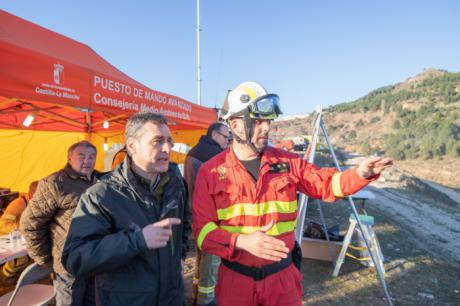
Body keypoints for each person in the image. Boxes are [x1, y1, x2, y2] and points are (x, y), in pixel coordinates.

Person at [192, 81, 393, 306]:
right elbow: (202, 231)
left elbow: (326, 183)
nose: (266, 127)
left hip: (282, 282)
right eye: (258, 121)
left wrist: (360, 175)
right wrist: (241, 242)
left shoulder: (288, 163)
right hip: (235, 283)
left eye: (268, 121)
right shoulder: (209, 172)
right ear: (236, 124)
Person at [62, 112, 189, 306]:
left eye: (169, 141)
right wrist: (137, 240)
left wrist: (179, 257)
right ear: (131, 146)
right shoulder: (101, 195)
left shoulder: (176, 183)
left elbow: (184, 227)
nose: (167, 148)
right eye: (157, 141)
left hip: (172, 297)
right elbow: (75, 258)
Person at [20, 141, 98, 306]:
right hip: (68, 266)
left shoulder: (99, 181)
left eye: (92, 156)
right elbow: (30, 223)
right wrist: (44, 258)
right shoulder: (55, 183)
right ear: (69, 158)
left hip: (95, 261)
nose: (87, 161)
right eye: (81, 156)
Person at [184, 122, 229, 306]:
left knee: (201, 258)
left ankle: (196, 294)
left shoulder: (194, 151)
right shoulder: (213, 155)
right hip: (210, 216)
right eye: (225, 137)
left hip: (195, 214)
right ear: (214, 134)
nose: (227, 141)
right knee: (211, 261)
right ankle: (205, 301)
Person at [0, 181, 38, 280]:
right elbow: (3, 224)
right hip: (8, 239)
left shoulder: (41, 202)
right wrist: (22, 229)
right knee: (23, 256)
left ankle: (18, 273)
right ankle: (4, 276)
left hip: (25, 237)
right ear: (30, 195)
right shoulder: (18, 203)